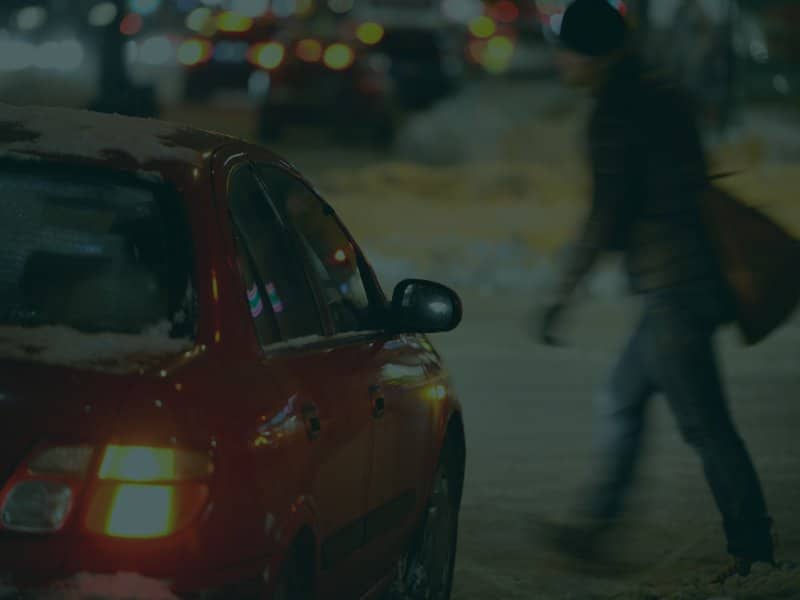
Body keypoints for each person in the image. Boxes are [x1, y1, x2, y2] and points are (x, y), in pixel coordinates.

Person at [536, 0, 775, 582]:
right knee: (622, 397)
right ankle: (596, 525)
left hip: (675, 287)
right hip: (691, 276)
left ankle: (753, 554)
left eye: (566, 48)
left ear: (586, 54)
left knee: (705, 424)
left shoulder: (616, 111)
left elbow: (607, 215)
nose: (561, 60)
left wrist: (563, 293)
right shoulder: (657, 91)